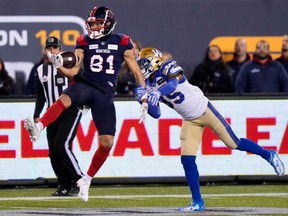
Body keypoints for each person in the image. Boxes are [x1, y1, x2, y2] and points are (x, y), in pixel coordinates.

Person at [136, 47, 285, 212]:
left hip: (205, 110)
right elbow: (156, 113)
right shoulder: (148, 84)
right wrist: (143, 100)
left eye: (143, 63)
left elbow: (173, 84)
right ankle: (197, 202)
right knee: (187, 160)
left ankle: (268, 154)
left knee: (233, 143)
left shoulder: (167, 66)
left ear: (154, 61)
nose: (141, 67)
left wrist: (156, 93)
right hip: (189, 120)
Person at [24, 6, 148, 202]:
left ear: (108, 24)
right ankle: (39, 127)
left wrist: (143, 96)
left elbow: (136, 72)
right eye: (93, 23)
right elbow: (73, 72)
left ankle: (86, 179)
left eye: (99, 23)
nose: (95, 27)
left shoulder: (122, 41)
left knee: (107, 142)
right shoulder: (84, 40)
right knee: (64, 99)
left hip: (104, 93)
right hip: (84, 84)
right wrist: (59, 66)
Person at [33, 36, 83, 196]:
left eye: (54, 48)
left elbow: (80, 84)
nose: (51, 51)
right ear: (44, 50)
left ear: (60, 49)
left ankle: (79, 180)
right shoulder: (40, 69)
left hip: (70, 110)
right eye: (49, 48)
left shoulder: (68, 64)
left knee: (62, 145)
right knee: (53, 151)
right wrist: (37, 114)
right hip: (51, 112)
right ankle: (64, 184)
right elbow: (41, 95)